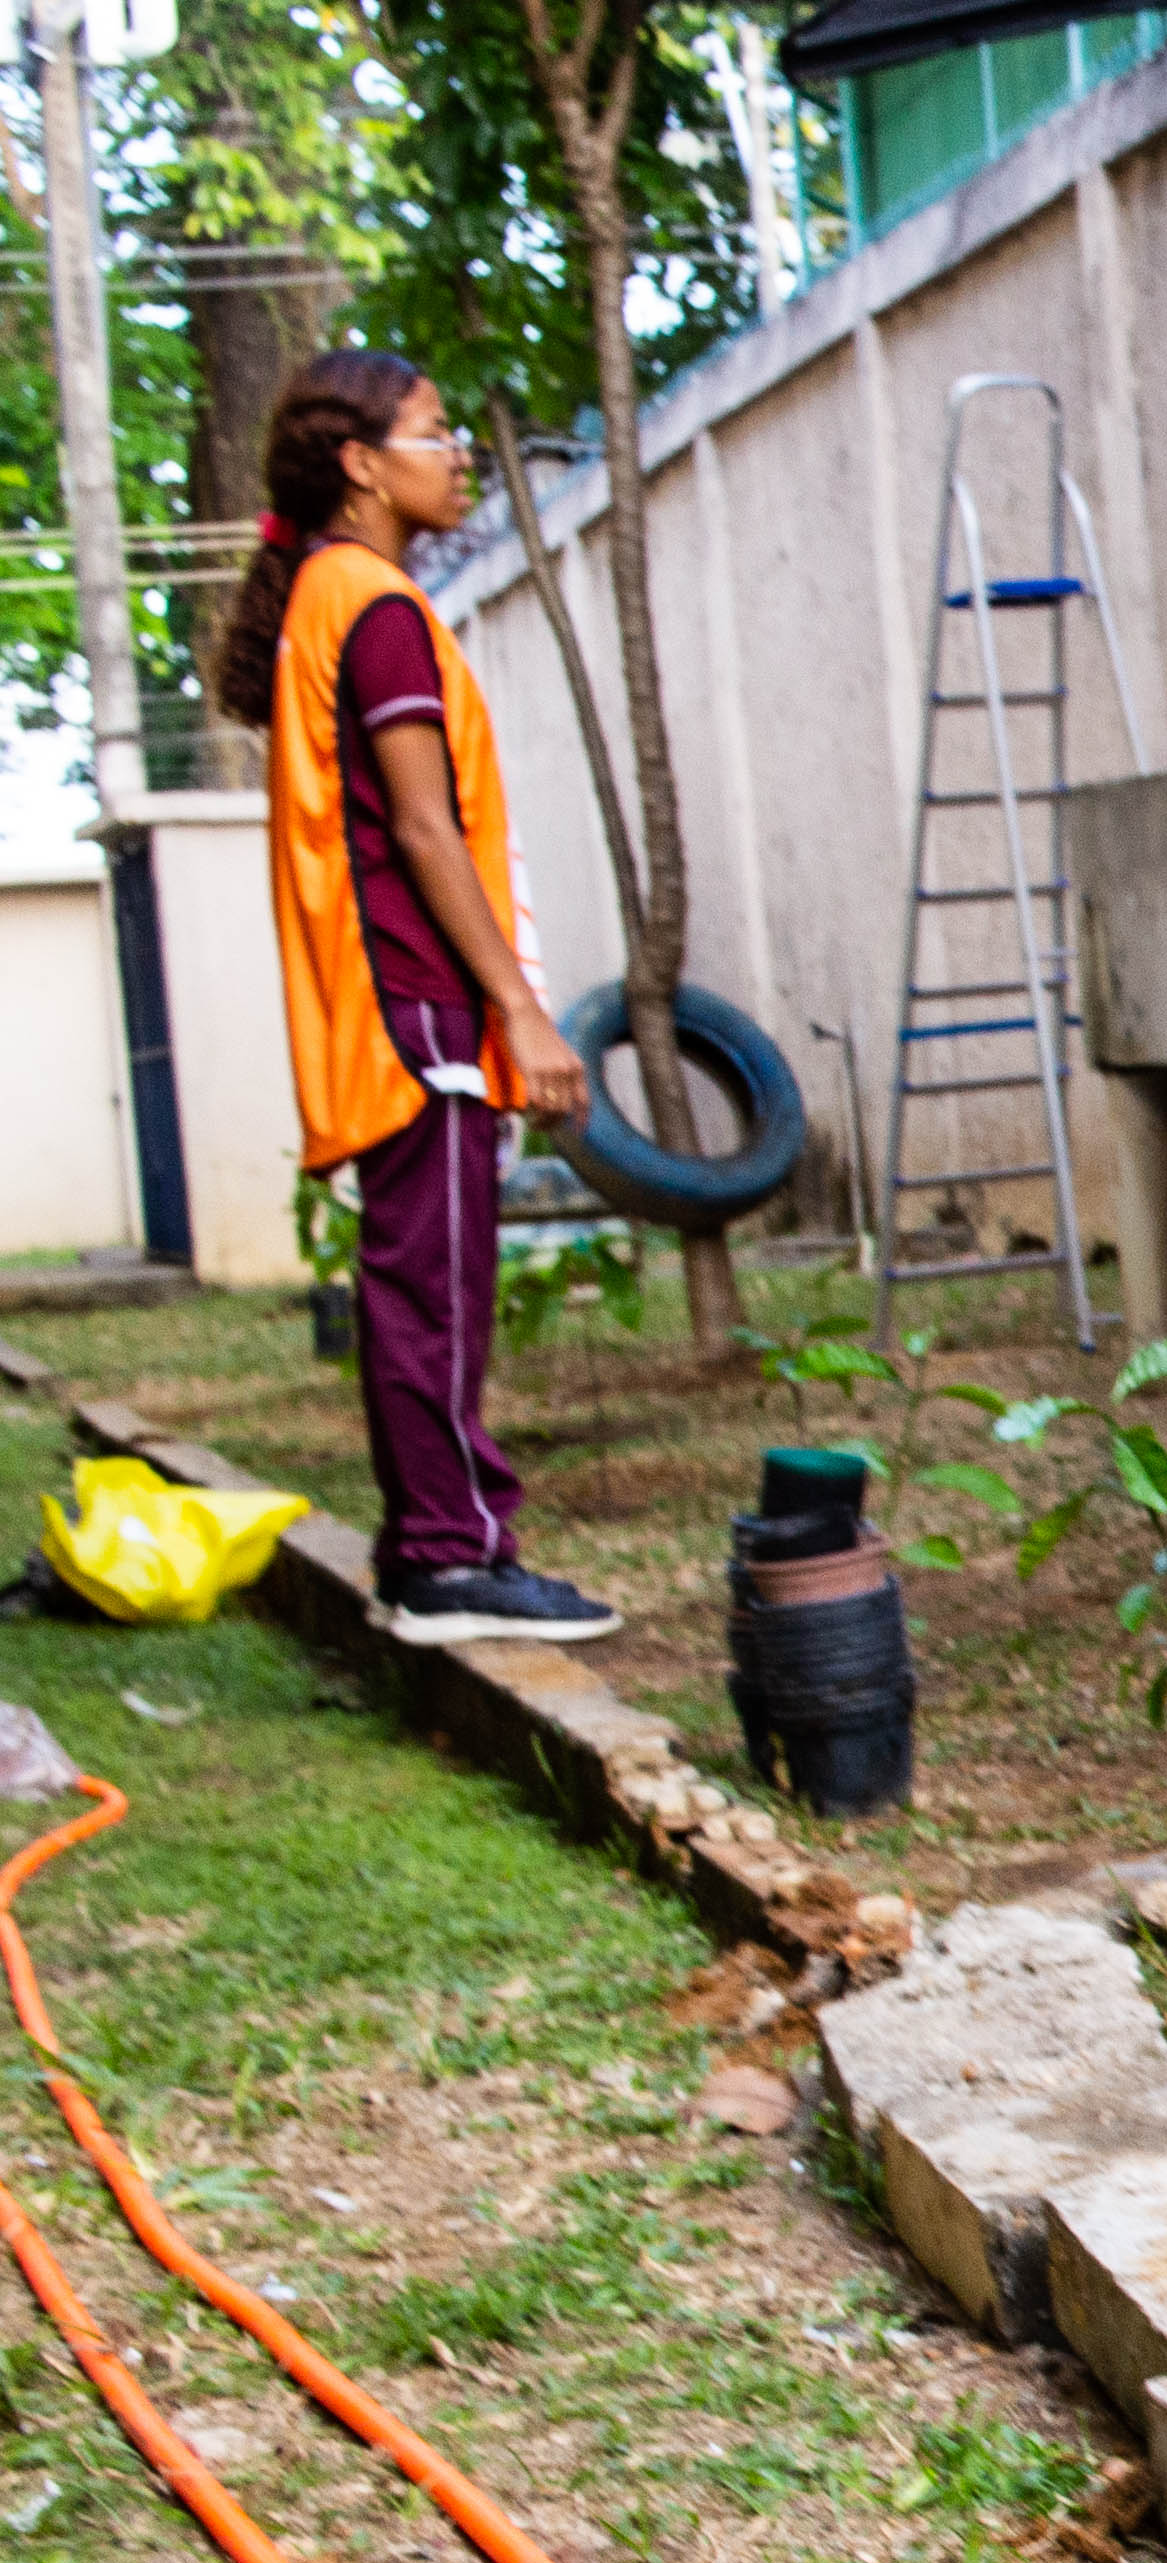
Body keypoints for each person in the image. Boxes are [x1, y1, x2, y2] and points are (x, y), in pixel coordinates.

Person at [216, 349, 619, 1649]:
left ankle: (434, 1547)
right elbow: (428, 835)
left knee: (420, 1282)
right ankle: (448, 1559)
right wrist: (520, 1010)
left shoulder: (330, 601)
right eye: (434, 432)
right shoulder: (376, 606)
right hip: (419, 1010)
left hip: (398, 1005)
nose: (456, 455)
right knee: (434, 1289)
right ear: (361, 463)